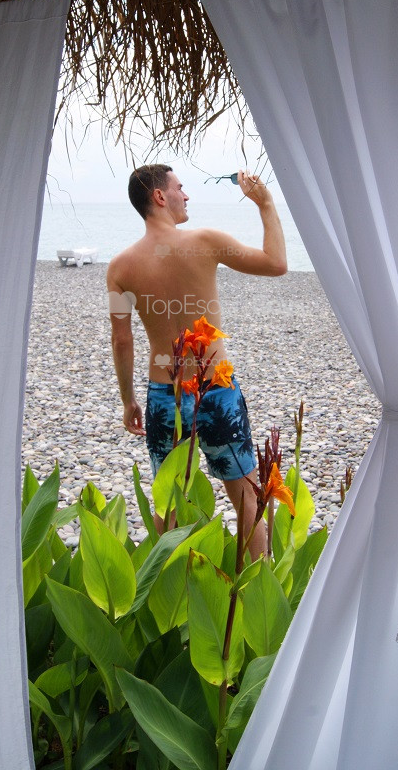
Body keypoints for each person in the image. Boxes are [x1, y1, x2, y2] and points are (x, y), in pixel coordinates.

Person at [107, 164, 287, 558]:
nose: (186, 195)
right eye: (180, 187)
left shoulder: (120, 267)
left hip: (164, 396)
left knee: (169, 505)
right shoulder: (205, 241)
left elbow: (122, 340)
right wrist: (266, 204)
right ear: (159, 196)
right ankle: (256, 585)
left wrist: (128, 400)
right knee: (247, 497)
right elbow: (276, 264)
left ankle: (166, 588)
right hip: (217, 390)